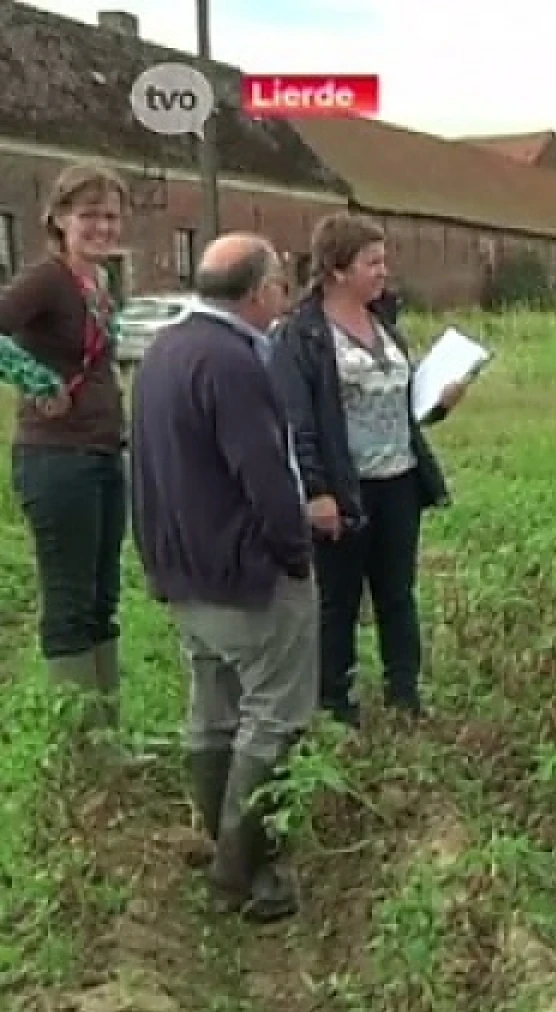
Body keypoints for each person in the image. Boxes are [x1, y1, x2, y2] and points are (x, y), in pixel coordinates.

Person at [129, 233, 312, 922]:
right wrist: (293, 553)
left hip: (183, 568)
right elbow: (264, 474)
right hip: (244, 573)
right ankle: (245, 867)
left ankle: (219, 842)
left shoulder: (163, 352)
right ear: (260, 292)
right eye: (281, 286)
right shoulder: (236, 363)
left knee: (212, 710)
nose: (285, 298)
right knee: (272, 715)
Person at [269, 213, 465, 726]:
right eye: (371, 262)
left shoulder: (386, 326)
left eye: (383, 260)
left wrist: (441, 404)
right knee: (338, 601)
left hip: (399, 481)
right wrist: (316, 491)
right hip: (344, 487)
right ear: (336, 269)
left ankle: (405, 695)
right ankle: (337, 704)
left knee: (397, 593)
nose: (384, 271)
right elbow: (298, 420)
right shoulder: (303, 336)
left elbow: (405, 404)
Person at [0, 164, 130, 731]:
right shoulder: (46, 279)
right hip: (57, 460)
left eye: (110, 215)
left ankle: (107, 732)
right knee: (71, 602)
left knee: (103, 598)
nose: (102, 226)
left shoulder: (97, 282)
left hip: (102, 453)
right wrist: (35, 381)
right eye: (89, 215)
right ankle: (81, 749)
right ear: (58, 219)